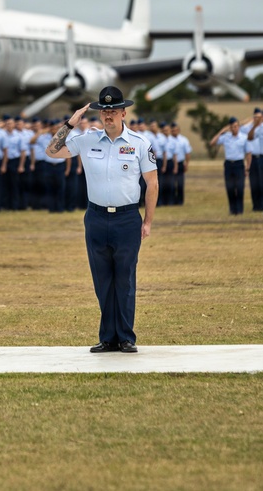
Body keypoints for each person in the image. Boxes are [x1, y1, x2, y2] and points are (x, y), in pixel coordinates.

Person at [46, 86, 158, 354]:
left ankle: (126, 337)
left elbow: (152, 184)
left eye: (113, 111)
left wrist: (148, 222)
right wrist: (70, 123)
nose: (108, 115)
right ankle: (108, 337)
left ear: (123, 112)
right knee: (102, 280)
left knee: (125, 279)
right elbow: (52, 151)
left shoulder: (140, 144)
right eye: (104, 111)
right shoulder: (87, 140)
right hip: (96, 217)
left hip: (127, 218)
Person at [210, 117, 249, 215]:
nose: (234, 129)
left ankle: (239, 210)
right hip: (229, 164)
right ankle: (232, 209)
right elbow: (212, 143)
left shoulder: (244, 137)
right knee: (230, 187)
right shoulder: (226, 137)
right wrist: (222, 131)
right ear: (230, 128)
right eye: (232, 127)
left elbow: (248, 153)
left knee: (240, 187)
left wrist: (248, 167)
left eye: (236, 126)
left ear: (238, 127)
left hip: (239, 164)